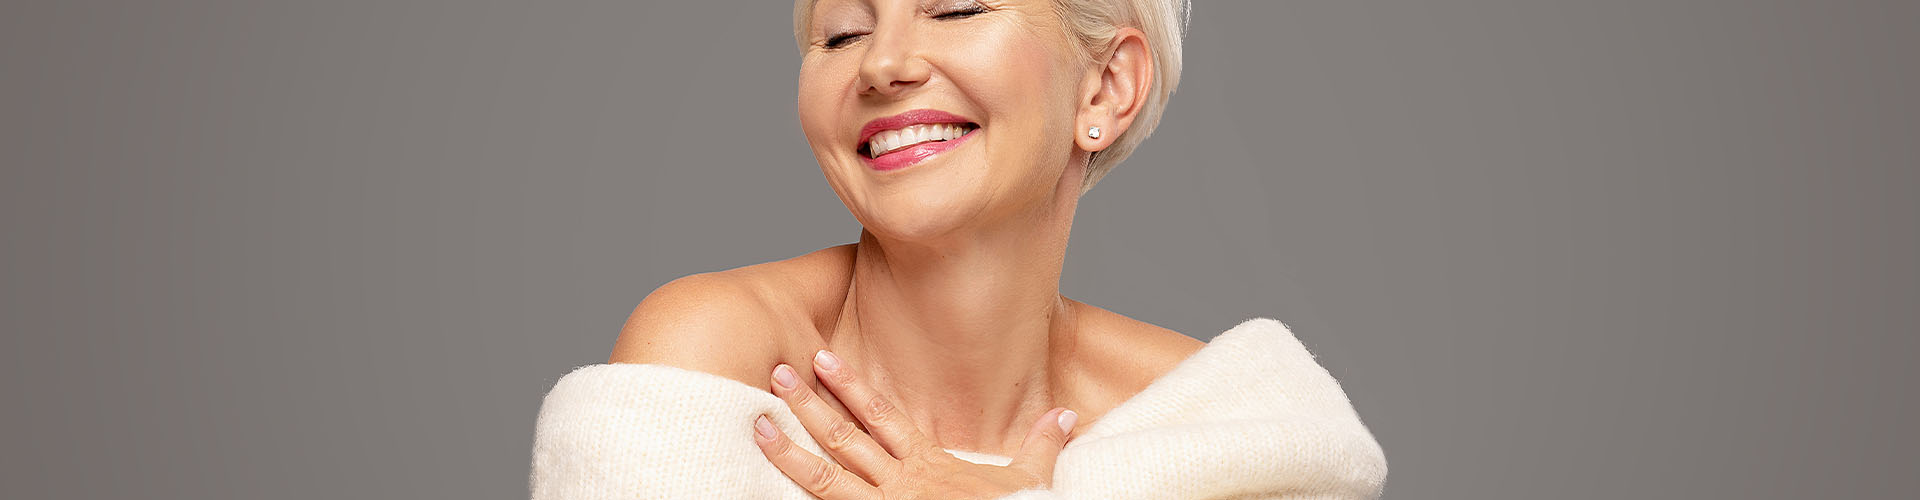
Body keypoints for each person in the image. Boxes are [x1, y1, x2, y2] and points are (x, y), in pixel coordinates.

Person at [530, 1, 1387, 498]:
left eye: (956, 6)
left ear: (1105, 87)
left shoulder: (1234, 428)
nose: (883, 63)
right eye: (842, 32)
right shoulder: (716, 355)